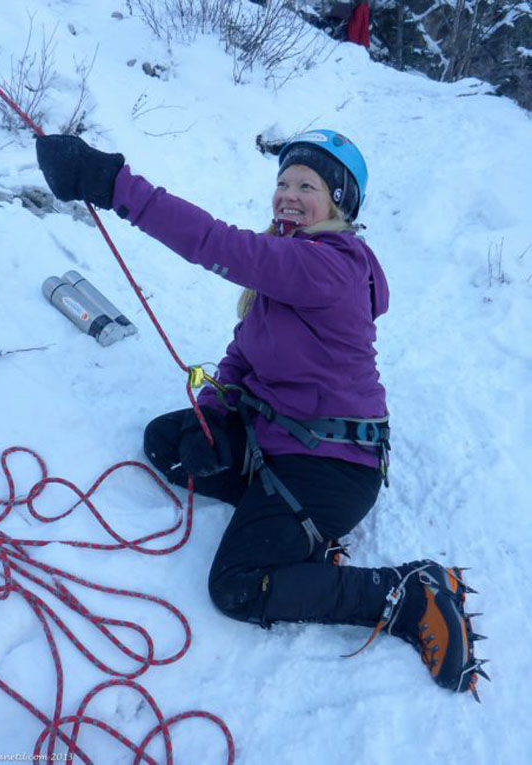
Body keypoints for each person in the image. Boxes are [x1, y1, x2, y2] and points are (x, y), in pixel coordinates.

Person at [36, 129, 486, 699]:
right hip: (277, 442)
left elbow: (217, 244)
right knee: (168, 442)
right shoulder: (285, 268)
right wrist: (214, 414)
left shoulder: (331, 266)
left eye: (307, 185)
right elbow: (239, 359)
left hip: (331, 469)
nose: (288, 194)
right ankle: (299, 540)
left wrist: (113, 184)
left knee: (237, 587)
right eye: (283, 183)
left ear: (340, 204)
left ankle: (405, 593)